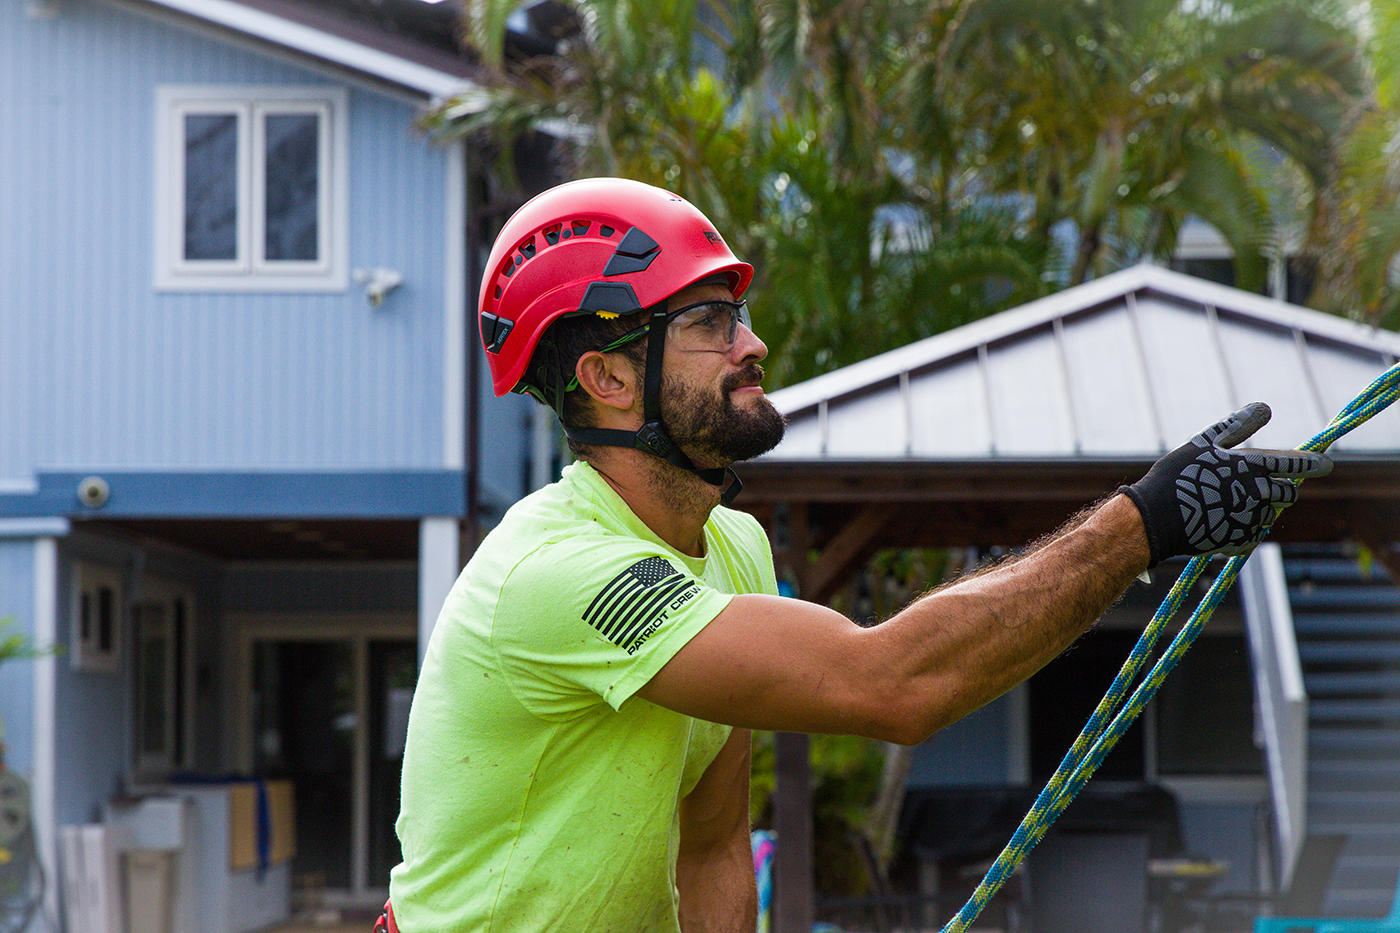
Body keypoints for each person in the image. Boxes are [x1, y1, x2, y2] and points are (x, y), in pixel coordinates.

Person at [384, 177, 1331, 932]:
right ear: (606, 374)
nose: (753, 343)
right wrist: (1144, 523)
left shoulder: (731, 547)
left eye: (740, 314)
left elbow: (712, 845)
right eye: (711, 322)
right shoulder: (558, 573)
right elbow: (893, 686)